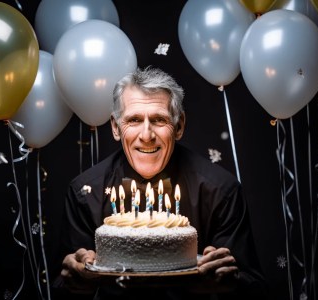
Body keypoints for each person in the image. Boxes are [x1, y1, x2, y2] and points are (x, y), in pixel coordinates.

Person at [54, 66, 267, 300]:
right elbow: (64, 288)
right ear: (115, 127)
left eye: (159, 119)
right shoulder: (85, 192)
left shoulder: (220, 190)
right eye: (134, 120)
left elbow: (252, 286)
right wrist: (75, 280)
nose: (147, 135)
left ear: (179, 126)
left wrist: (229, 281)